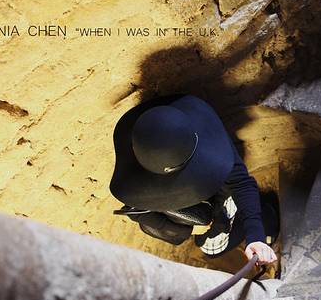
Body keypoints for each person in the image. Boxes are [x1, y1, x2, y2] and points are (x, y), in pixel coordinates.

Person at [109, 93, 278, 266]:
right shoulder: (144, 151)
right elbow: (137, 211)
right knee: (209, 247)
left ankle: (266, 213)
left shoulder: (202, 143)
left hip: (218, 194)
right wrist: (188, 230)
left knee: (214, 245)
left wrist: (255, 235)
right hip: (198, 210)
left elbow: (241, 182)